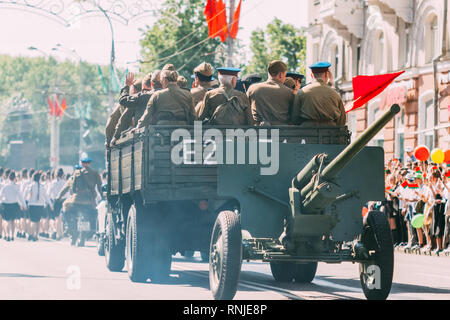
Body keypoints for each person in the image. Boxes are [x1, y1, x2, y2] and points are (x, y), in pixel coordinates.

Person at [57, 157, 102, 246]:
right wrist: (103, 198)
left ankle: (70, 229)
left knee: (65, 207)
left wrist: (59, 197)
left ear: (81, 163)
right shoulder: (95, 173)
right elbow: (100, 188)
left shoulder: (76, 173)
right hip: (89, 202)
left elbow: (69, 187)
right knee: (91, 216)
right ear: (90, 163)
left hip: (76, 201)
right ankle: (83, 238)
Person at [292, 62, 346, 127]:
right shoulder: (335, 94)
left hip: (307, 131)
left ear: (312, 75)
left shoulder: (301, 92)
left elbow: (295, 117)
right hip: (330, 132)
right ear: (326, 75)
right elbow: (341, 121)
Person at [110, 72, 153, 145]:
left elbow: (123, 119)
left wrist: (115, 137)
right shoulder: (164, 94)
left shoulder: (139, 98)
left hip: (142, 136)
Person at [247, 60, 294, 126]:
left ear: (269, 72)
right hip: (282, 133)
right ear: (280, 75)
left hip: (258, 132)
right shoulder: (289, 92)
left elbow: (246, 111)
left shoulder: (252, 88)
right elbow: (294, 116)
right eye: (285, 75)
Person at [24, 172, 52, 241]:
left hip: (32, 205)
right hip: (40, 205)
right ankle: (36, 235)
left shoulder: (30, 186)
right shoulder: (42, 187)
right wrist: (50, 204)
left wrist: (24, 203)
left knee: (32, 220)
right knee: (38, 221)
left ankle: (31, 234)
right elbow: (46, 196)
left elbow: (25, 195)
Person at [0, 171, 26, 241]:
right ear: (14, 178)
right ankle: (12, 236)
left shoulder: (5, 186)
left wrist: (3, 200)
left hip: (6, 204)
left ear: (8, 178)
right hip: (14, 205)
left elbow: (1, 195)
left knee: (7, 221)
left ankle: (7, 235)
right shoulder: (16, 187)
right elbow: (20, 196)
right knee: (13, 221)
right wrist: (24, 204)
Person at [48, 168, 66, 240]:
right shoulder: (64, 182)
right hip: (63, 200)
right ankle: (60, 233)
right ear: (62, 175)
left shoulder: (53, 182)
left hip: (55, 201)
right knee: (60, 218)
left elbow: (48, 193)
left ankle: (57, 231)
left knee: (56, 218)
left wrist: (50, 203)